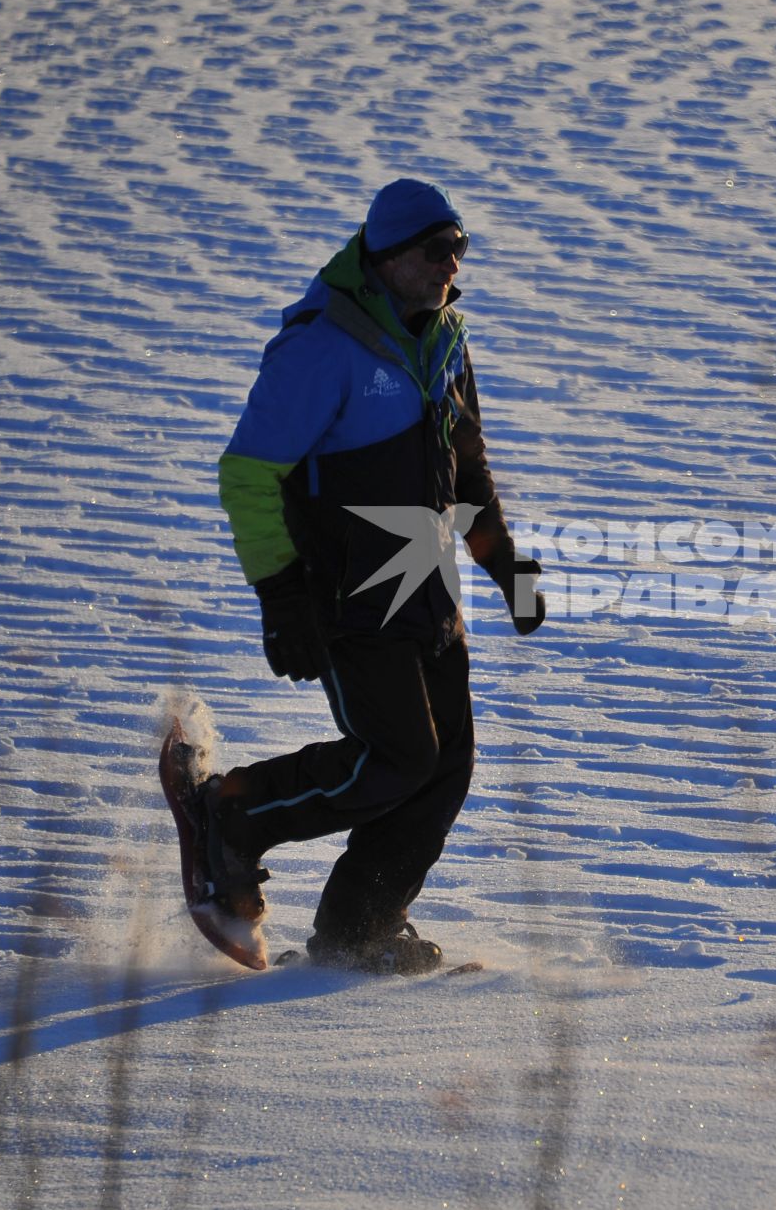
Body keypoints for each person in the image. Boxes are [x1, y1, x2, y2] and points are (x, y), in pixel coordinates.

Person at [200, 178, 545, 974]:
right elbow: (247, 475)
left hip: (426, 589)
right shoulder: (324, 346)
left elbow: (468, 475)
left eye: (457, 251)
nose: (449, 267)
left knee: (444, 769)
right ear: (388, 255)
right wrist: (281, 596)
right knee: (395, 756)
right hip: (345, 597)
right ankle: (235, 814)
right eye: (434, 251)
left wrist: (507, 568)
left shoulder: (448, 341)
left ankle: (360, 929)